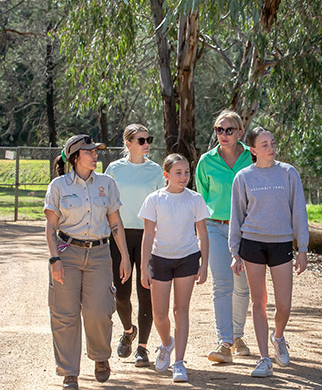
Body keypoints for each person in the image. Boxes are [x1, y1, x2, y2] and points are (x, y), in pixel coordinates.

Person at [44, 134, 132, 389]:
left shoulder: (107, 183)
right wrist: (54, 260)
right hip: (67, 252)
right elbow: (50, 228)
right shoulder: (59, 186)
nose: (95, 155)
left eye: (96, 151)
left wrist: (124, 256)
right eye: (89, 151)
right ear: (74, 157)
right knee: (65, 314)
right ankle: (69, 372)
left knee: (99, 311)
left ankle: (100, 357)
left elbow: (115, 222)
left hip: (99, 254)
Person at [228, 127, 309, 378]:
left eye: (272, 143)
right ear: (253, 150)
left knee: (284, 304)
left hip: (281, 243)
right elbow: (237, 215)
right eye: (264, 144)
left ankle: (278, 336)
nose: (271, 148)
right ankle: (264, 358)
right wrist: (235, 250)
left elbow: (299, 211)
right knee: (259, 302)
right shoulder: (243, 177)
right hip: (252, 243)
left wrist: (303, 248)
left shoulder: (288, 173)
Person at [138, 153, 210, 382]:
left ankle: (179, 362)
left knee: (181, 311)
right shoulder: (154, 199)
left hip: (187, 259)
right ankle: (166, 343)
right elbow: (148, 235)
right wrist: (143, 267)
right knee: (159, 314)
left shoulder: (195, 199)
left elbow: (203, 234)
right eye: (178, 173)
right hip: (160, 260)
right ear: (166, 175)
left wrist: (204, 264)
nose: (184, 177)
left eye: (187, 172)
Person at [195, 109, 253, 363]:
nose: (224, 134)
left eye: (230, 130)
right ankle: (224, 342)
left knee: (242, 285)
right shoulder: (206, 162)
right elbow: (202, 198)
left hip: (247, 229)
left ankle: (238, 335)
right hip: (216, 228)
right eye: (220, 129)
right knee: (222, 284)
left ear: (240, 132)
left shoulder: (252, 157)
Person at [104, 124, 165, 367]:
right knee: (121, 294)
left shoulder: (156, 170)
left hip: (148, 236)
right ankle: (129, 331)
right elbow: (106, 203)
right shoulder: (114, 169)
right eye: (141, 140)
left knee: (145, 292)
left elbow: (162, 205)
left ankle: (143, 348)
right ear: (128, 143)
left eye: (148, 139)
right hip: (119, 236)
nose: (146, 143)